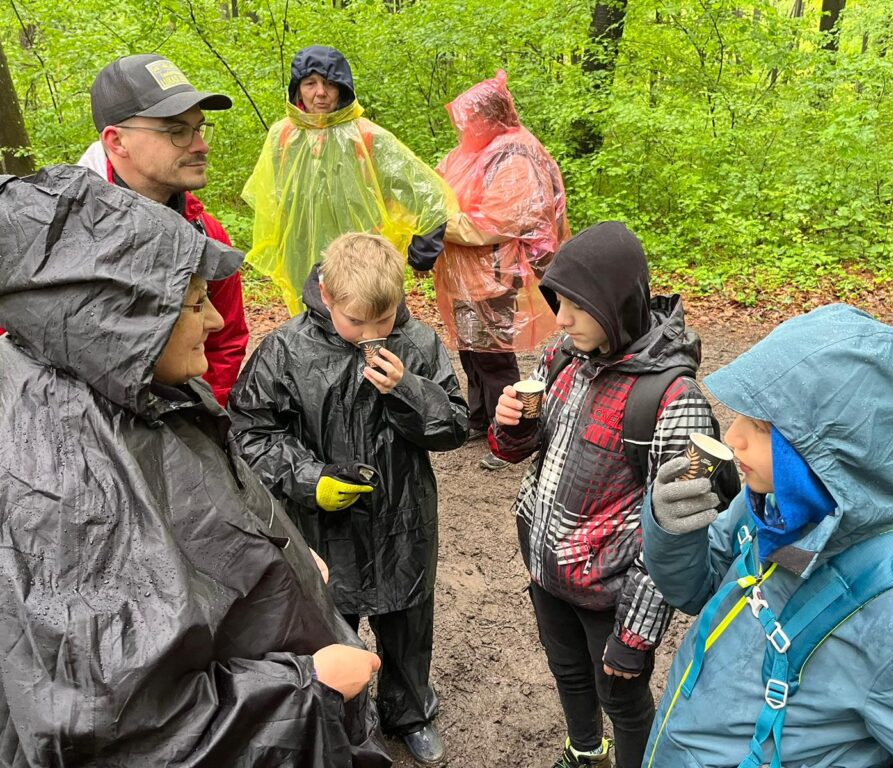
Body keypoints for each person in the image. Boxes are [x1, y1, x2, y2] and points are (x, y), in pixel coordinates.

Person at [0, 164, 391, 767]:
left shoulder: (142, 388)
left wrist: (288, 555)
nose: (215, 320)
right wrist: (307, 688)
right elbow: (113, 723)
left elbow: (204, 513)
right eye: (196, 303)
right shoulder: (65, 475)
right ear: (124, 319)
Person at [641, 304, 893, 767]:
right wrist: (672, 531)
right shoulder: (773, 507)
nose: (734, 437)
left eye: (760, 427)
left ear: (830, 454)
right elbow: (696, 588)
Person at [228, 233, 468, 765]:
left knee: (408, 624)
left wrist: (408, 389)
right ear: (326, 295)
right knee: (328, 629)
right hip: (322, 530)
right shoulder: (286, 350)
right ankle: (337, 719)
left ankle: (410, 714)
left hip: (403, 520)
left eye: (383, 320)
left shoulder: (418, 343)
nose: (371, 335)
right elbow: (249, 432)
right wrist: (309, 478)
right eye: (357, 321)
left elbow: (454, 426)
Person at [490, 222, 718, 768]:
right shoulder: (562, 357)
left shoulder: (674, 399)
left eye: (576, 306)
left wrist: (636, 634)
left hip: (613, 594)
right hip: (548, 569)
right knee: (568, 673)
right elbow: (520, 449)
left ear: (614, 305)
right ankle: (586, 750)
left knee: (623, 698)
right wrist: (511, 426)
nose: (561, 320)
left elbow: (679, 533)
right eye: (558, 303)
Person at [76, 53, 248, 406]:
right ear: (116, 141)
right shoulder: (58, 236)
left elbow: (224, 342)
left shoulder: (206, 235)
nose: (201, 145)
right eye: (177, 131)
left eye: (198, 128)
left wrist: (199, 419)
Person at [243, 45, 454, 315]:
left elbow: (429, 195)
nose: (321, 92)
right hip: (302, 264)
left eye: (330, 83)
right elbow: (272, 200)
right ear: (298, 89)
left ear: (343, 88)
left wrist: (422, 255)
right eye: (310, 83)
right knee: (313, 334)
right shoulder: (283, 136)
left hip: (363, 264)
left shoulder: (367, 137)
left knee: (365, 329)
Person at [434, 70, 568, 468]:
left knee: (492, 355)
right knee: (471, 349)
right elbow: (436, 186)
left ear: (490, 117)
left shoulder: (513, 155)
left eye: (470, 119)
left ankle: (509, 431)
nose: (464, 128)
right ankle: (480, 418)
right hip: (467, 273)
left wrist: (440, 224)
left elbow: (496, 220)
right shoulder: (476, 151)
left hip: (493, 272)